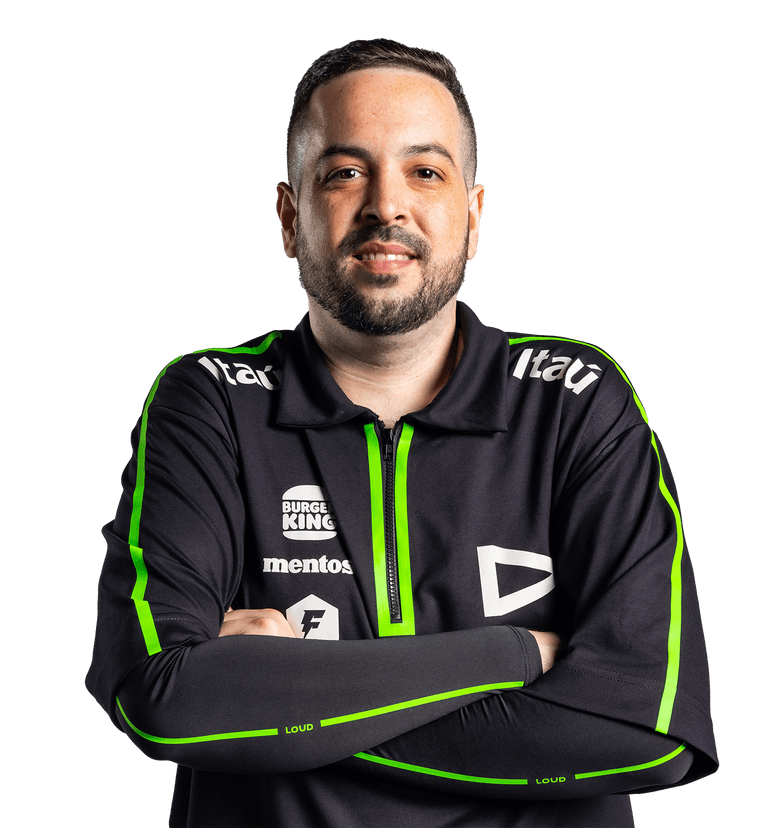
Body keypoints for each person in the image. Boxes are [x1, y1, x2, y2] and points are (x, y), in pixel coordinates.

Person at [85, 38, 718, 827]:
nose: (387, 206)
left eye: (425, 172)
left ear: (472, 216)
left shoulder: (576, 399)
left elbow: (650, 734)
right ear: (290, 217)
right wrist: (517, 654)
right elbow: (163, 700)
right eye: (345, 173)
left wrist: (283, 709)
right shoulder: (211, 401)